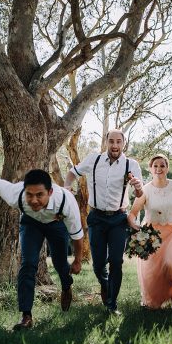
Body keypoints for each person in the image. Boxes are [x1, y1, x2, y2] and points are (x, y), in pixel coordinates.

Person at [0, 169, 83, 330]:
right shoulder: (16, 194)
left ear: (50, 192)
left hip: (56, 224)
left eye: (39, 195)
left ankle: (66, 286)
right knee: (28, 264)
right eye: (29, 195)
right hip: (31, 223)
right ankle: (26, 316)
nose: (33, 200)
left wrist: (78, 261)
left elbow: (77, 236)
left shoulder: (66, 202)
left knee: (60, 263)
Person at [64, 129, 143, 314]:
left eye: (118, 142)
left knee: (116, 261)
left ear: (124, 143)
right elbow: (72, 172)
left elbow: (140, 194)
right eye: (111, 141)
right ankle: (105, 283)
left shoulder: (131, 165)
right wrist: (67, 186)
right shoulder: (94, 160)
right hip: (96, 218)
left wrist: (138, 189)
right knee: (98, 265)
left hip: (118, 219)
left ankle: (111, 304)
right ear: (106, 142)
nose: (115, 146)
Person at [127, 154, 172, 309]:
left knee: (171, 265)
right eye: (155, 166)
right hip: (153, 235)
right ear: (150, 169)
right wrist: (136, 227)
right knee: (155, 271)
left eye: (162, 165)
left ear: (167, 168)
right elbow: (133, 213)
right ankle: (160, 303)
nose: (159, 169)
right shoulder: (145, 190)